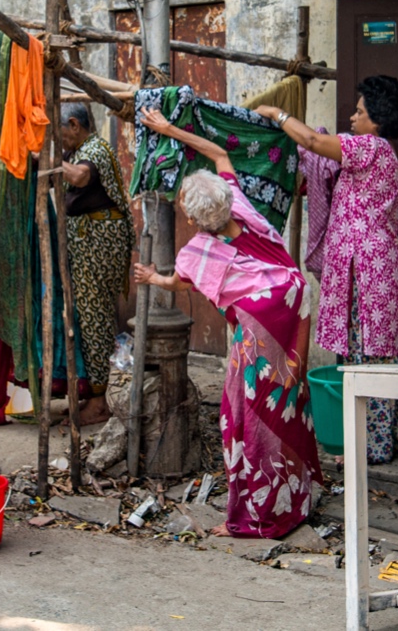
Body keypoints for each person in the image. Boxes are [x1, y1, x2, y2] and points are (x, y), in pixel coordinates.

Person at [132, 108, 325, 539]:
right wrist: (169, 129)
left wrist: (151, 277)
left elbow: (180, 283)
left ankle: (260, 515)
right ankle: (300, 494)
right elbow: (219, 152)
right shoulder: (242, 205)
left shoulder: (198, 252)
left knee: (246, 414)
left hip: (261, 323)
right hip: (294, 302)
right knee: (289, 399)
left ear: (196, 219)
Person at [255, 76, 398, 466]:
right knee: (377, 353)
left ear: (378, 121)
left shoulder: (372, 147)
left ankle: (374, 444)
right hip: (369, 269)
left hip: (369, 271)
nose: (352, 117)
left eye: (360, 111)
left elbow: (315, 144)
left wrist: (276, 113)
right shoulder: (375, 153)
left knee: (370, 356)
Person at [56, 102, 133, 426]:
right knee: (90, 317)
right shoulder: (82, 149)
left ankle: (99, 402)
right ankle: (93, 392)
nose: (60, 141)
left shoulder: (96, 149)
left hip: (98, 246)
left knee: (95, 318)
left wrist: (50, 161)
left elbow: (80, 176)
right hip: (91, 245)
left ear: (74, 124)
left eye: (61, 133)